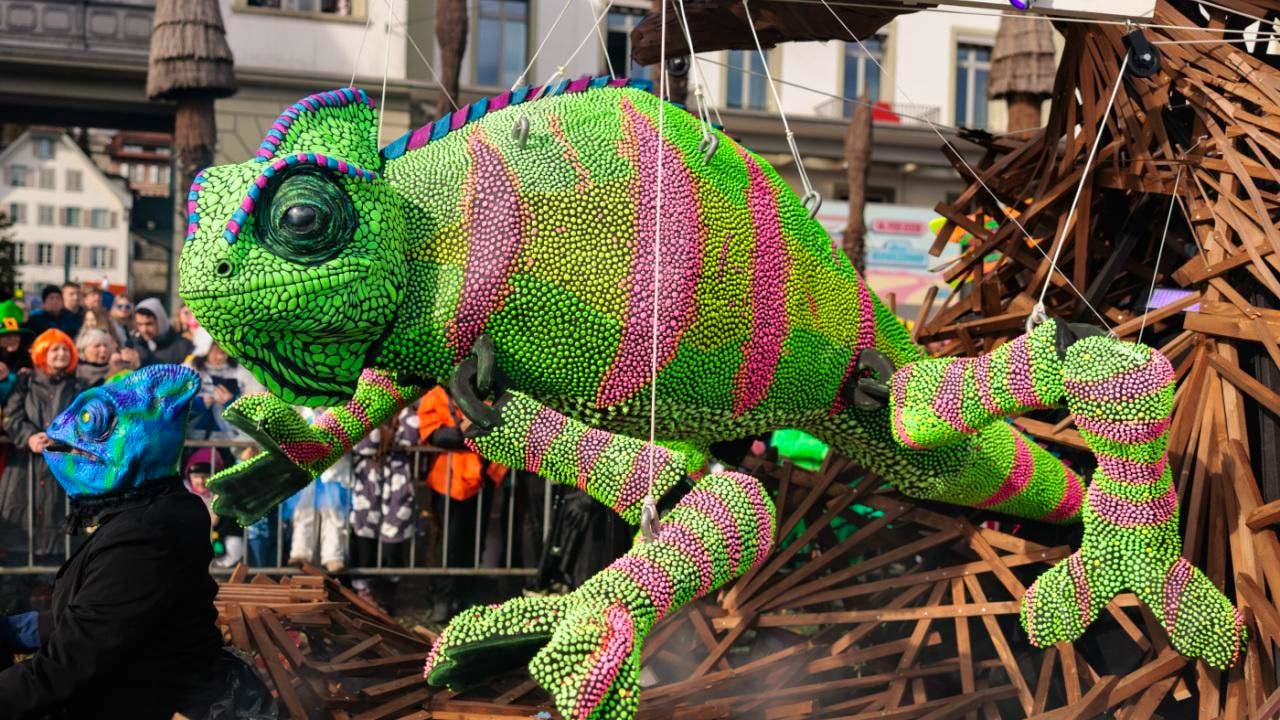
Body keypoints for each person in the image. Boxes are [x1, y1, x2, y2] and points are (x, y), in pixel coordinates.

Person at [0, 365, 276, 719]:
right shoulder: (149, 510)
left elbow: (71, 662)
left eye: (93, 423)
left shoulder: (145, 536)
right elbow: (98, 616)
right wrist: (17, 630)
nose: (69, 444)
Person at [417, 385, 506, 620]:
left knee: (475, 541)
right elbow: (437, 435)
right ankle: (442, 598)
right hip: (448, 482)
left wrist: (466, 433)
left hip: (482, 480)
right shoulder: (436, 394)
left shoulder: (488, 396)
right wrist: (473, 432)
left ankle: (467, 596)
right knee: (448, 542)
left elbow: (497, 432)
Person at [0, 329, 83, 564]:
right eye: (54, 349)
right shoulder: (25, 383)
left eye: (65, 349)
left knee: (58, 544)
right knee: (18, 545)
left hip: (61, 468)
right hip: (24, 471)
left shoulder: (79, 387)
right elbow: (11, 417)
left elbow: (85, 423)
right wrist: (28, 437)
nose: (61, 354)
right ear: (42, 352)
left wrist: (59, 441)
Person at [349, 404, 419, 613]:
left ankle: (387, 595)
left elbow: (410, 437)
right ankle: (363, 593)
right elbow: (363, 445)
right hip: (367, 484)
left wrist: (384, 434)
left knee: (393, 543)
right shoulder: (363, 408)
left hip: (396, 484)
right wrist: (381, 431)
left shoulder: (406, 411)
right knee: (364, 540)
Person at [285, 407, 353, 573]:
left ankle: (333, 556)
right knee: (303, 512)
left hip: (334, 471)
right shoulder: (302, 411)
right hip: (308, 470)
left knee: (334, 514)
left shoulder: (341, 409)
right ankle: (300, 552)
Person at [185, 332, 264, 441]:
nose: (221, 350)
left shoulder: (243, 372)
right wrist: (197, 404)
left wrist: (232, 403)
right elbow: (171, 406)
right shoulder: (189, 371)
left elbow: (257, 410)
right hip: (193, 441)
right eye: (215, 344)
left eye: (225, 344)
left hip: (233, 443)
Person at [128, 298, 194, 367]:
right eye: (139, 324)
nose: (144, 329)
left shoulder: (183, 346)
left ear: (160, 322)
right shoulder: (134, 344)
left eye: (149, 324)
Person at [0, 299, 32, 405]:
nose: (13, 339)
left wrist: (30, 375)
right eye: (6, 336)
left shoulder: (27, 357)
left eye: (16, 334)